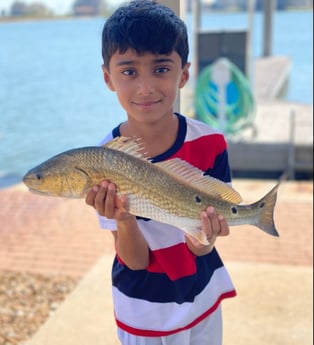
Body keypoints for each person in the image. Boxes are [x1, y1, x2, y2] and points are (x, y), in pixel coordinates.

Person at [85, 1, 236, 344]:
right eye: (129, 72)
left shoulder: (210, 142)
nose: (146, 87)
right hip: (143, 311)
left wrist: (205, 236)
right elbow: (135, 262)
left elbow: (203, 245)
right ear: (108, 78)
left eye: (161, 69)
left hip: (203, 298)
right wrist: (123, 219)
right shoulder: (102, 157)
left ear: (184, 74)